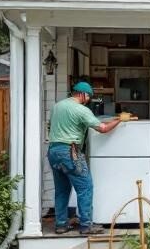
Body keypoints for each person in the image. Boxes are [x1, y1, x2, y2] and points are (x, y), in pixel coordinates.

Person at [47, 81, 122, 235]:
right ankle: (86, 225)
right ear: (82, 94)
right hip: (71, 152)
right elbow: (103, 128)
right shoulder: (81, 110)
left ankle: (61, 225)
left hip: (53, 151)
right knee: (85, 188)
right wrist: (120, 119)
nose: (88, 99)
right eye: (88, 96)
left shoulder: (57, 106)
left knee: (61, 190)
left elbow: (52, 126)